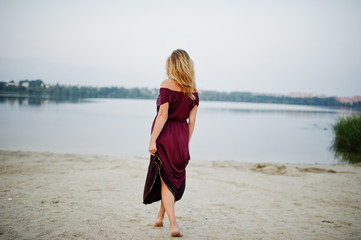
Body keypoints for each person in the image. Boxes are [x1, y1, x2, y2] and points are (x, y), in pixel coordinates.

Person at [143, 49, 199, 237]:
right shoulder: (193, 91)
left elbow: (163, 115)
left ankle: (173, 225)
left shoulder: (166, 84)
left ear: (172, 66)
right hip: (181, 137)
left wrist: (152, 140)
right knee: (167, 179)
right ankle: (159, 217)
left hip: (166, 135)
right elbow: (192, 123)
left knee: (166, 183)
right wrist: (186, 144)